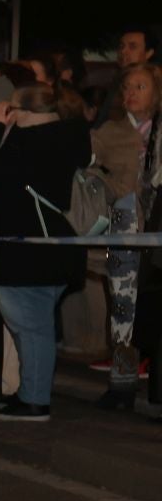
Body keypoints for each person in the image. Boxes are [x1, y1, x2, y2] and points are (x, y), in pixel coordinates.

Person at [0, 83, 92, 420]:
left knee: (31, 326)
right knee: (35, 325)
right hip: (58, 249)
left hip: (26, 252)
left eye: (11, 108)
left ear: (23, 112)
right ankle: (29, 392)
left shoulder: (23, 144)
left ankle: (35, 400)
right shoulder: (71, 136)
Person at [90, 64, 159, 407]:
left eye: (141, 87)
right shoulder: (111, 131)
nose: (131, 93)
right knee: (122, 305)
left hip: (157, 227)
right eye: (127, 87)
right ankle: (122, 385)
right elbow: (86, 166)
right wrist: (111, 187)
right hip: (124, 223)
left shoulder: (159, 131)